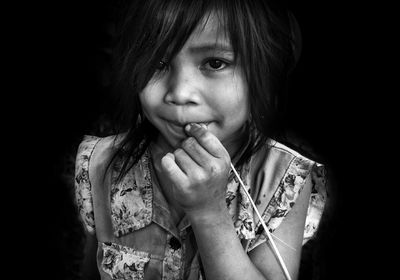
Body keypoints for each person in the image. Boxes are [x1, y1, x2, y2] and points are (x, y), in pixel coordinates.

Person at [74, 0, 328, 279]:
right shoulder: (99, 163)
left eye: (215, 63)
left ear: (263, 74)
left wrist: (209, 212)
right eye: (158, 63)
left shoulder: (283, 179)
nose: (180, 93)